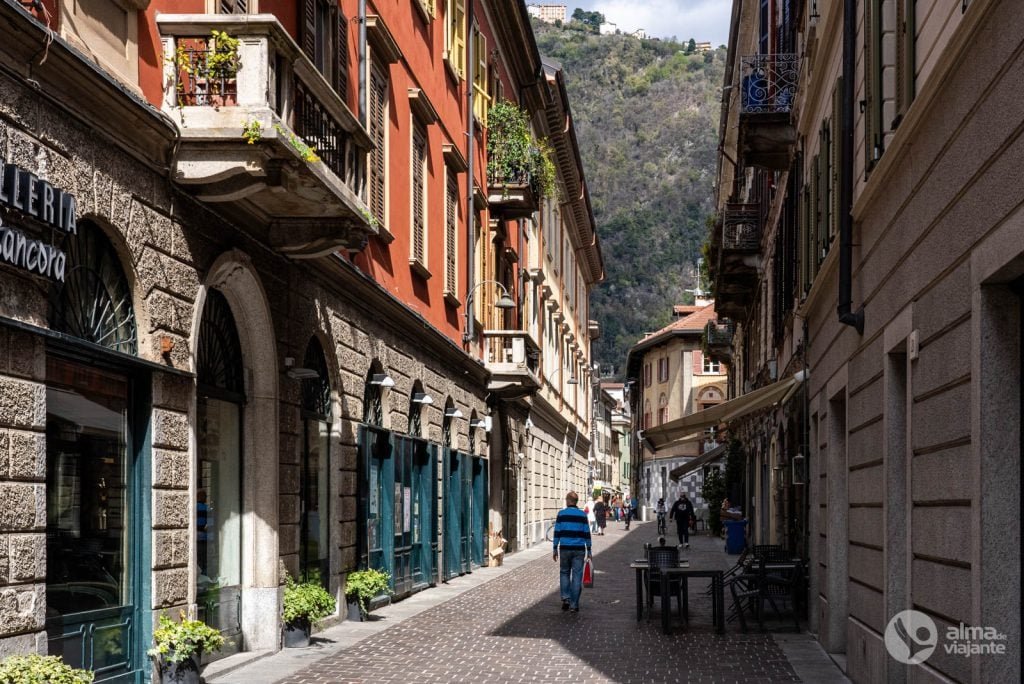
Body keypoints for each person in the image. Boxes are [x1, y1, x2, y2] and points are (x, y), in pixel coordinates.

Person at [552, 490, 592, 612]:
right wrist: (589, 549)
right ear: (576, 502)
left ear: (568, 501)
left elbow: (557, 532)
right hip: (579, 549)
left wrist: (555, 548)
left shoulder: (561, 514)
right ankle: (574, 605)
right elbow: (587, 533)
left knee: (564, 573)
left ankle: (566, 599)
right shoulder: (582, 515)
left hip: (565, 548)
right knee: (577, 576)